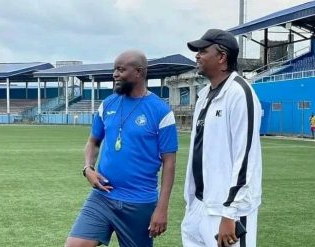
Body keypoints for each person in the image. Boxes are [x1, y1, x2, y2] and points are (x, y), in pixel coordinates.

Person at [65, 50, 178, 247]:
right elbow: (93, 141)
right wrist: (88, 169)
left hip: (139, 203)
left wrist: (162, 208)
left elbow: (169, 161)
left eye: (120, 69)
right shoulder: (108, 103)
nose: (115, 74)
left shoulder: (161, 111)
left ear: (139, 72)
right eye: (114, 69)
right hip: (103, 196)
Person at [181, 29, 262, 247]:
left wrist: (230, 213)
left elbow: (245, 158)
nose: (197, 55)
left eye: (202, 51)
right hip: (199, 205)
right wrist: (190, 203)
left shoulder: (239, 93)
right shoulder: (203, 95)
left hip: (226, 210)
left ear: (222, 57)